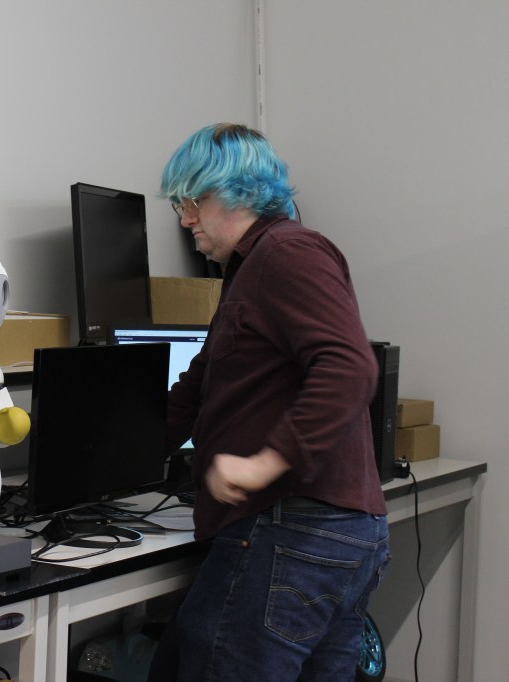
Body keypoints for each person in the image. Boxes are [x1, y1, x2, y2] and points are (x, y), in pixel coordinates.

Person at [157, 123, 390, 681]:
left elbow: (350, 366)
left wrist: (264, 462)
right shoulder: (247, 273)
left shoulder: (288, 253)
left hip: (294, 528)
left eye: (192, 201)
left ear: (234, 192)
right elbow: (199, 385)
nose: (185, 219)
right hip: (325, 534)